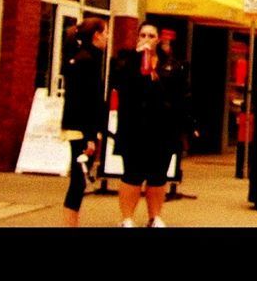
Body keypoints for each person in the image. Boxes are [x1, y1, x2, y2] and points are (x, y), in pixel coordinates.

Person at [110, 19, 189, 227]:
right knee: (132, 175)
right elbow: (118, 85)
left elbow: (179, 96)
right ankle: (127, 218)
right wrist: (137, 60)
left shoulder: (171, 64)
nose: (147, 39)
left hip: (162, 129)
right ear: (137, 38)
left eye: (151, 36)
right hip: (134, 128)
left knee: (157, 177)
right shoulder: (126, 61)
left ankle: (155, 216)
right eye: (143, 35)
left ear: (158, 40)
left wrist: (184, 127)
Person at [60, 16, 108, 226]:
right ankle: (70, 224)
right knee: (78, 181)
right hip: (81, 130)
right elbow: (85, 101)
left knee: (80, 181)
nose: (108, 37)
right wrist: (90, 136)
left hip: (78, 127)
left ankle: (72, 223)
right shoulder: (87, 60)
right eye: (106, 33)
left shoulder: (84, 57)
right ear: (96, 35)